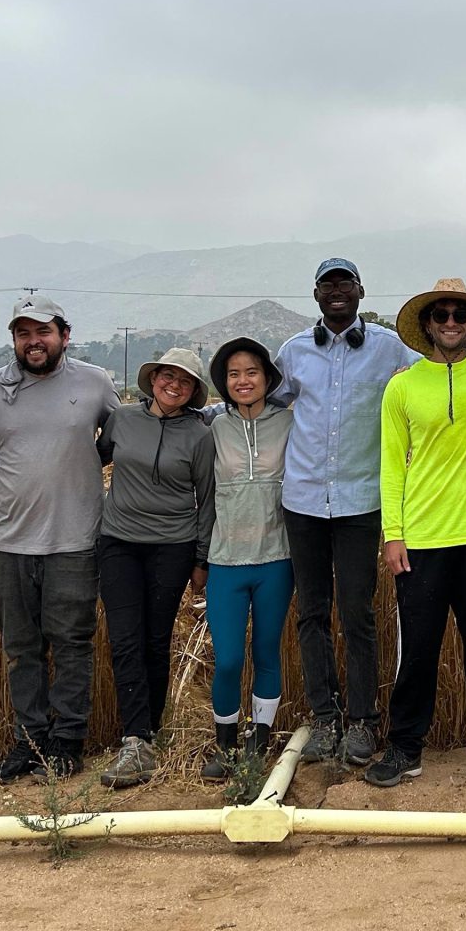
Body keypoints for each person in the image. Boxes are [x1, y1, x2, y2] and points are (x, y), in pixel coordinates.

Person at [270, 258, 419, 768]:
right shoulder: (291, 352)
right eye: (328, 284)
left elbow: (435, 374)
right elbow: (264, 402)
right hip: (303, 501)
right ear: (315, 294)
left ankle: (361, 721)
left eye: (345, 284)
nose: (337, 292)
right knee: (311, 612)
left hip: (361, 501)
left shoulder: (387, 347)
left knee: (357, 612)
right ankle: (324, 717)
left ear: (360, 291)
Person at [372, 278, 466, 788]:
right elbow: (391, 465)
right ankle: (404, 747)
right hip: (421, 541)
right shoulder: (403, 386)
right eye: (442, 315)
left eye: (461, 315)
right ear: (428, 324)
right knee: (417, 649)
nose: (451, 323)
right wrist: (393, 534)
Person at [0, 295, 120, 783]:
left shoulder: (95, 383)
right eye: (23, 334)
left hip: (76, 540)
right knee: (20, 647)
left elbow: (121, 439)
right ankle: (29, 742)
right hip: (11, 541)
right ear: (14, 339)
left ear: (64, 335)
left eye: (43, 332)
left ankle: (68, 743)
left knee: (72, 643)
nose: (34, 342)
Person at [95, 347, 216, 790]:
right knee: (125, 639)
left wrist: (201, 559)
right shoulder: (122, 420)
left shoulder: (200, 436)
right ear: (153, 379)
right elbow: (95, 460)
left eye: (184, 381)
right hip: (119, 542)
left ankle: (149, 735)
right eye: (168, 376)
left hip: (173, 547)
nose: (174, 385)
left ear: (193, 391)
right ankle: (135, 738)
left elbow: (207, 499)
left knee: (155, 640)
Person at [198, 338, 296, 788]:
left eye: (251, 372)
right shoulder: (212, 428)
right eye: (234, 374)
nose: (243, 381)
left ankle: (259, 740)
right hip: (226, 561)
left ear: (267, 377)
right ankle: (225, 745)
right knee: (230, 659)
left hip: (277, 557)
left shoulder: (289, 422)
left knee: (266, 652)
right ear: (224, 382)